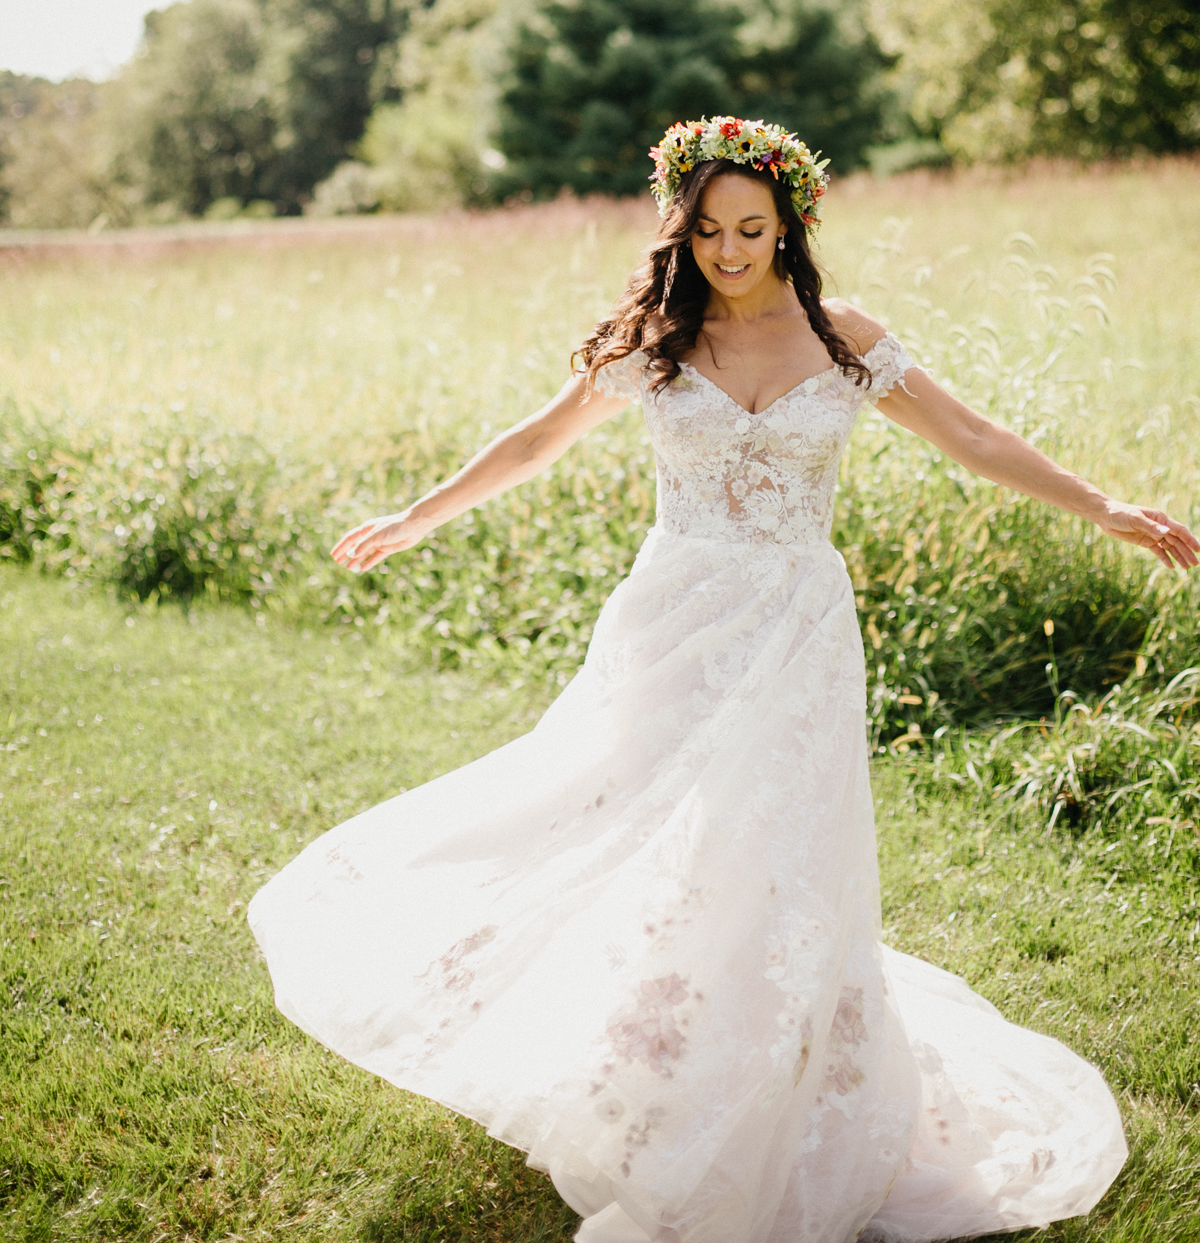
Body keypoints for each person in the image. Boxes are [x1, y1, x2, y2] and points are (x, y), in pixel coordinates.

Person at [249, 117, 1197, 1243]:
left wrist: (1106, 509)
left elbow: (976, 437)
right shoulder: (653, 341)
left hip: (795, 626)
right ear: (680, 230)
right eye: (708, 230)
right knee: (623, 827)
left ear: (790, 223)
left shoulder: (846, 341)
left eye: (751, 228)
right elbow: (535, 441)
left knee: (779, 856)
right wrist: (417, 517)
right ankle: (646, 1069)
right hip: (671, 625)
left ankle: (769, 1090)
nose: (731, 250)